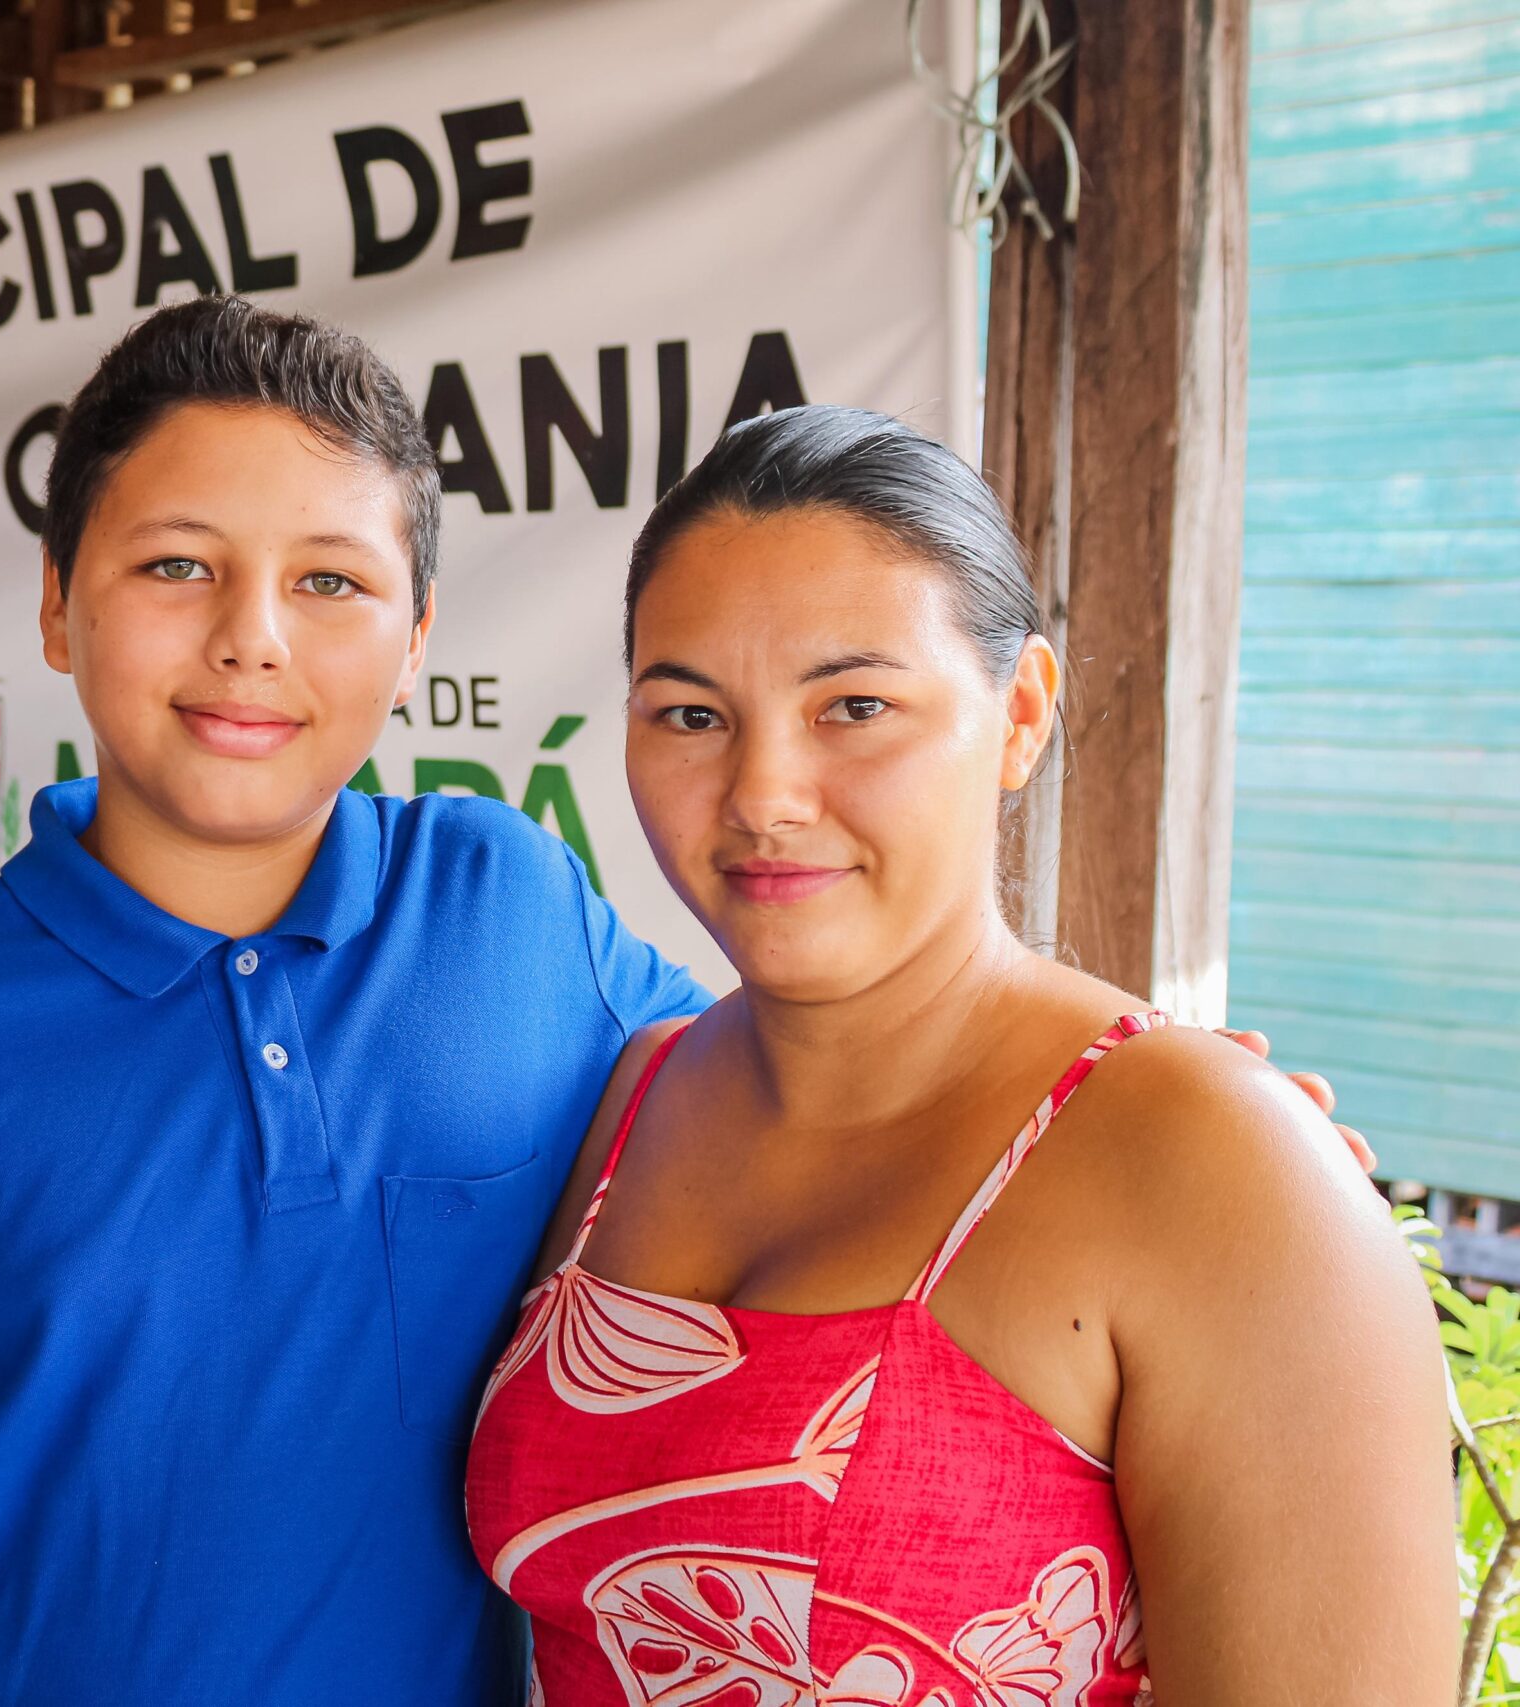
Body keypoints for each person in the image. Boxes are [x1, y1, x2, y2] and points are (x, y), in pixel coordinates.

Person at [0, 299, 1368, 1707]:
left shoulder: (507, 906)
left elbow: (860, 1054)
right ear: (56, 603)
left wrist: (1194, 1138)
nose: (253, 640)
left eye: (332, 582)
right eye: (177, 567)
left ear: (420, 635)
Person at [466, 406, 1456, 1702]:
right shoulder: (632, 1090)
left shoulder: (1208, 1155)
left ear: (1023, 710)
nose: (766, 791)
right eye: (693, 713)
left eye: (856, 705)